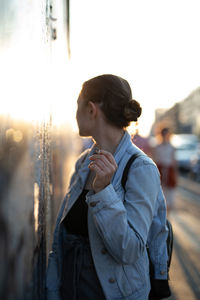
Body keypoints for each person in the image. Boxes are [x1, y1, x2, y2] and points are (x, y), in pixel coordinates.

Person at [46, 74, 169, 300]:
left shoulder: (141, 168)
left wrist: (104, 192)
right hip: (70, 290)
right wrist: (52, 290)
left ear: (92, 110)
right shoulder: (84, 162)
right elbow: (60, 239)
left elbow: (130, 250)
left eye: (77, 106)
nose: (74, 114)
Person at [152, 127, 177, 214]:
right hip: (160, 170)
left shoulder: (172, 147)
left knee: (169, 195)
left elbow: (174, 162)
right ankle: (161, 215)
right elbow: (154, 160)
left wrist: (175, 175)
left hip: (169, 171)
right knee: (159, 194)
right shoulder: (156, 147)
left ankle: (167, 216)